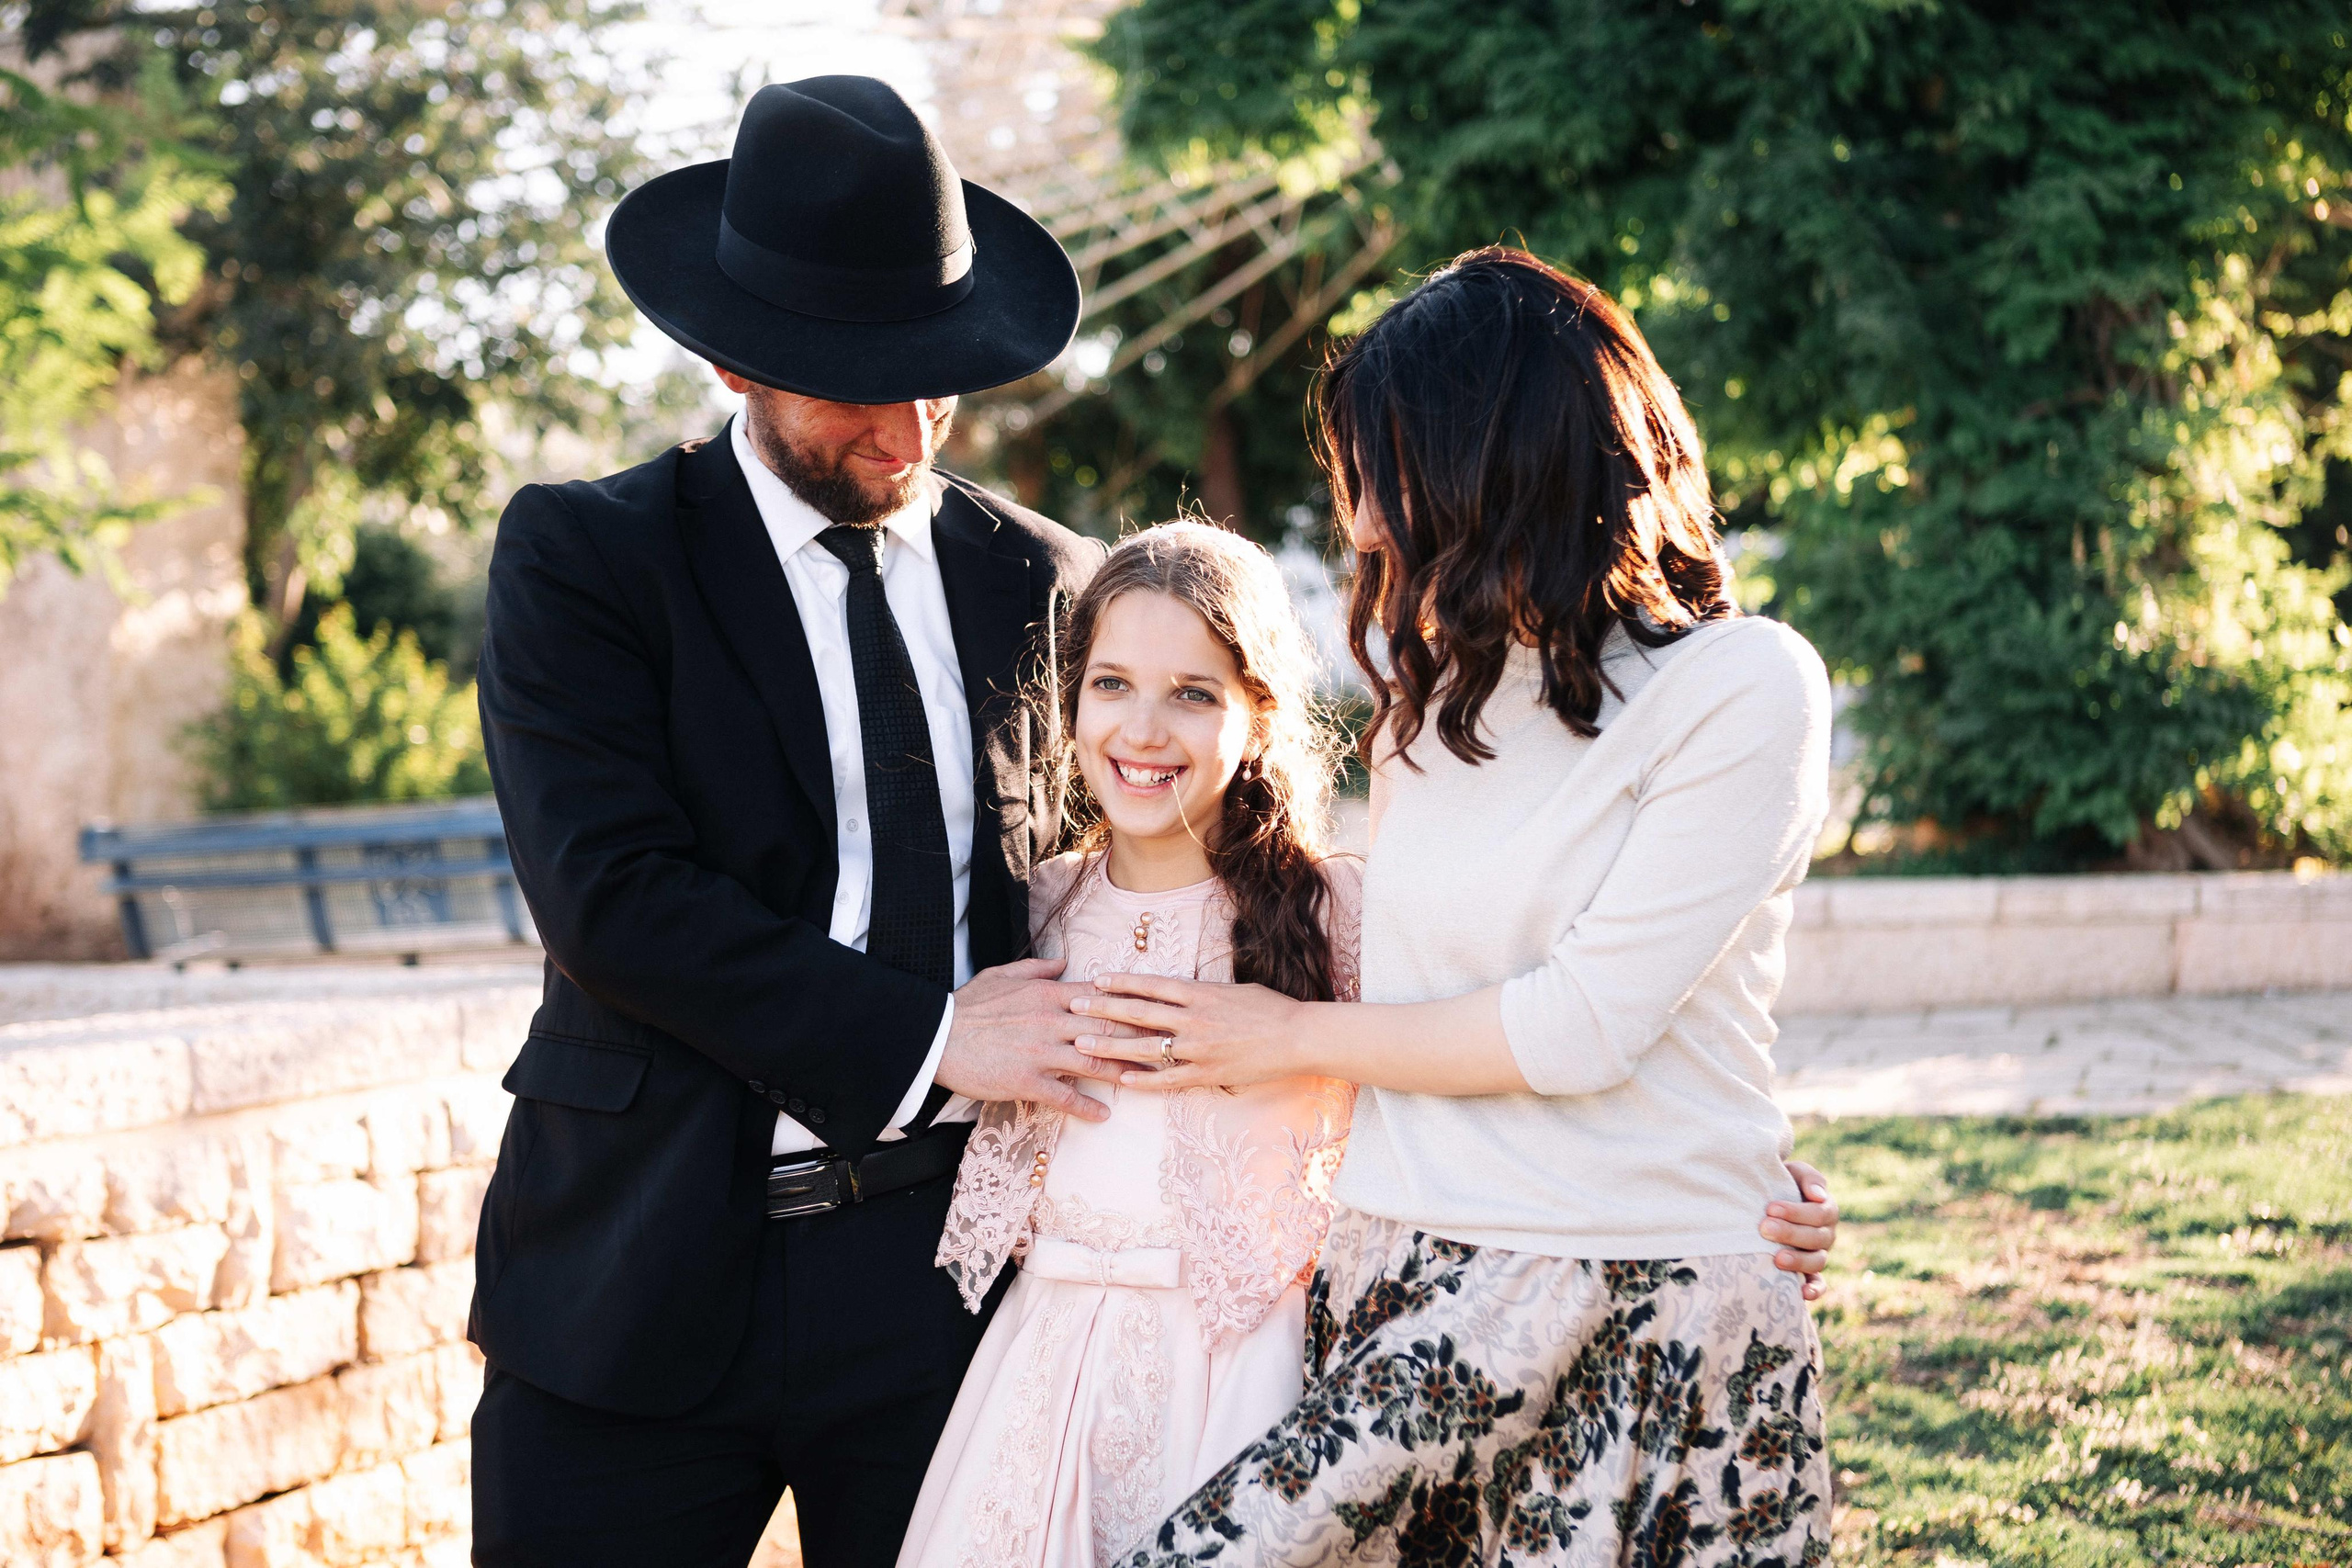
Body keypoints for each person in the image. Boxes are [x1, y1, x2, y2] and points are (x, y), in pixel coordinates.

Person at [1070, 250, 1841, 1565]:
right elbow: (1409, 993)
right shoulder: (1426, 712)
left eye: (1385, 477)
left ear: (1501, 462)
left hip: (1636, 1295)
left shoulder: (1744, 686)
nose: (1365, 526)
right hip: (1398, 1275)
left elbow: (1583, 1025)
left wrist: (1284, 1036)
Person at [467, 76, 1129, 1568]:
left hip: (954, 1285)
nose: (909, 429)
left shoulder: (1052, 582)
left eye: (937, 377)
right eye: (856, 384)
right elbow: (611, 896)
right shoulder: (585, 558)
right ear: (731, 359)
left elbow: (1141, 875)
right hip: (632, 1275)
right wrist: (937, 1040)